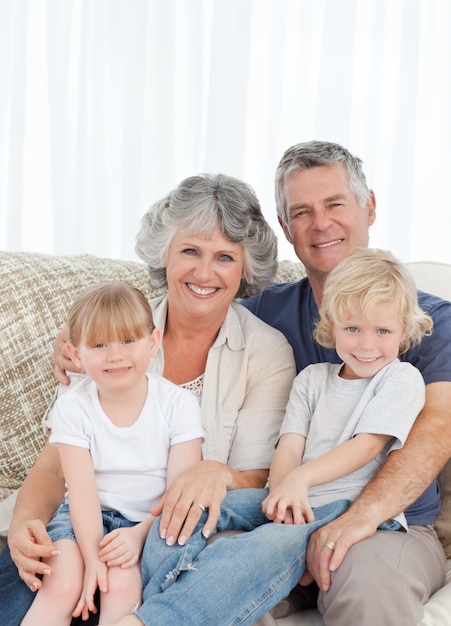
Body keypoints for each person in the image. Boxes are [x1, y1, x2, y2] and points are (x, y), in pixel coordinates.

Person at [108, 140, 451, 626]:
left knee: (363, 580)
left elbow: (437, 429)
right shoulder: (264, 315)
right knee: (214, 562)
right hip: (281, 512)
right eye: (302, 211)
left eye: (335, 204)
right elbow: (192, 296)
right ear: (286, 228)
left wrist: (356, 517)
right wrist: (89, 342)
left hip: (388, 526)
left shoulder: (429, 321)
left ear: (369, 206)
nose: (321, 222)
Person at [0, 174, 296, 625]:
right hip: (81, 525)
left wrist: (214, 475)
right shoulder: (110, 339)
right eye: (190, 251)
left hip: (167, 534)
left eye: (224, 257)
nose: (203, 272)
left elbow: (258, 477)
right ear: (164, 254)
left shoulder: (267, 353)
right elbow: (54, 464)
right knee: (36, 580)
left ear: (244, 269)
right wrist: (24, 525)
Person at [20, 280, 204, 626]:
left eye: (128, 341)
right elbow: (82, 492)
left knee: (119, 586)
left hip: (146, 521)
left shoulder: (178, 405)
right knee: (62, 583)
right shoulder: (74, 407)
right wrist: (91, 562)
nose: (115, 354)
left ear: (152, 342)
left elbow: (179, 492)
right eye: (100, 344)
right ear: (76, 354)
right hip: (83, 517)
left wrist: (139, 535)